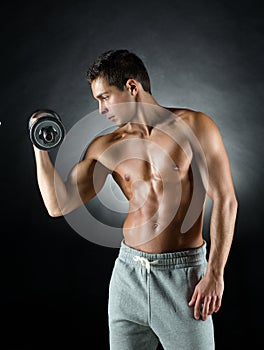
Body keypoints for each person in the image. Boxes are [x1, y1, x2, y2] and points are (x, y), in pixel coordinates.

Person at [31, 49, 238, 350]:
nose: (101, 110)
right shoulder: (108, 145)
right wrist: (39, 144)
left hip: (184, 279)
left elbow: (226, 200)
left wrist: (215, 273)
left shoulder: (195, 126)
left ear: (131, 87)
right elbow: (57, 204)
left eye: (104, 97)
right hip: (128, 276)